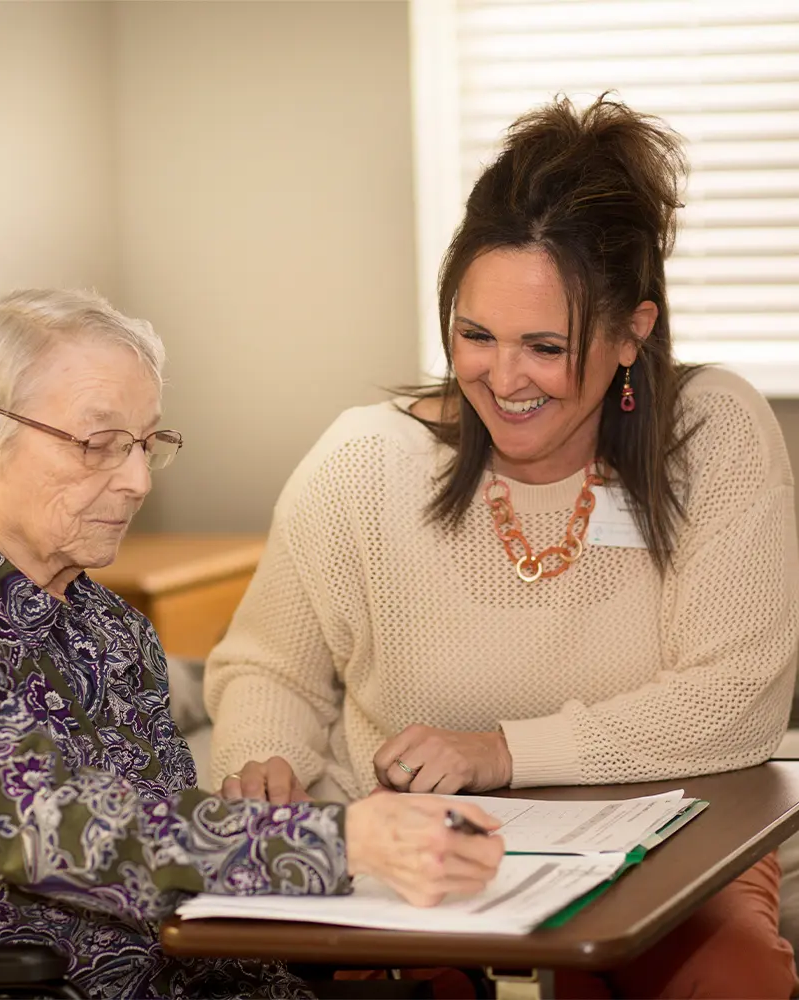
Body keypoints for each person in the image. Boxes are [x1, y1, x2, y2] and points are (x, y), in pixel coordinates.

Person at [206, 96, 799, 998]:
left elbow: (734, 703)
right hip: (424, 864)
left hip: (674, 853)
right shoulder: (364, 464)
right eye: (475, 335)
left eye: (545, 346)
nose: (503, 378)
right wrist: (262, 762)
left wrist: (502, 751)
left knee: (726, 976)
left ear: (633, 333)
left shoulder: (713, 436)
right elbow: (270, 670)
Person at [0, 289, 505, 1000]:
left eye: (146, 444)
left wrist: (257, 821)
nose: (136, 481)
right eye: (98, 444)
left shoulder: (110, 626)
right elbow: (52, 823)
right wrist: (341, 839)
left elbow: (157, 843)